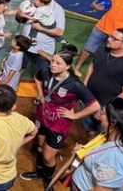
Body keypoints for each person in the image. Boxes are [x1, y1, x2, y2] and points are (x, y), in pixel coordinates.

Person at [19, 51, 100, 189]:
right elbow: (37, 77)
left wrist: (74, 116)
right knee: (40, 145)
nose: (53, 65)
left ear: (67, 66)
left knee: (48, 157)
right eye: (52, 61)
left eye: (58, 63)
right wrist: (40, 93)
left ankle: (48, 179)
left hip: (58, 124)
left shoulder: (75, 84)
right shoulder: (45, 72)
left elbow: (95, 106)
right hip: (42, 115)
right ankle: (38, 172)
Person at [69, 98, 123, 190]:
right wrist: (87, 151)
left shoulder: (115, 157)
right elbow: (100, 158)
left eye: (102, 113)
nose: (97, 117)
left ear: (113, 122)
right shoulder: (110, 137)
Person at [82, 29, 123, 138]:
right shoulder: (102, 50)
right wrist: (84, 86)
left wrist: (106, 109)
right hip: (89, 99)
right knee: (89, 130)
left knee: (103, 136)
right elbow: (92, 66)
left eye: (114, 38)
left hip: (106, 108)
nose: (109, 39)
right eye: (110, 36)